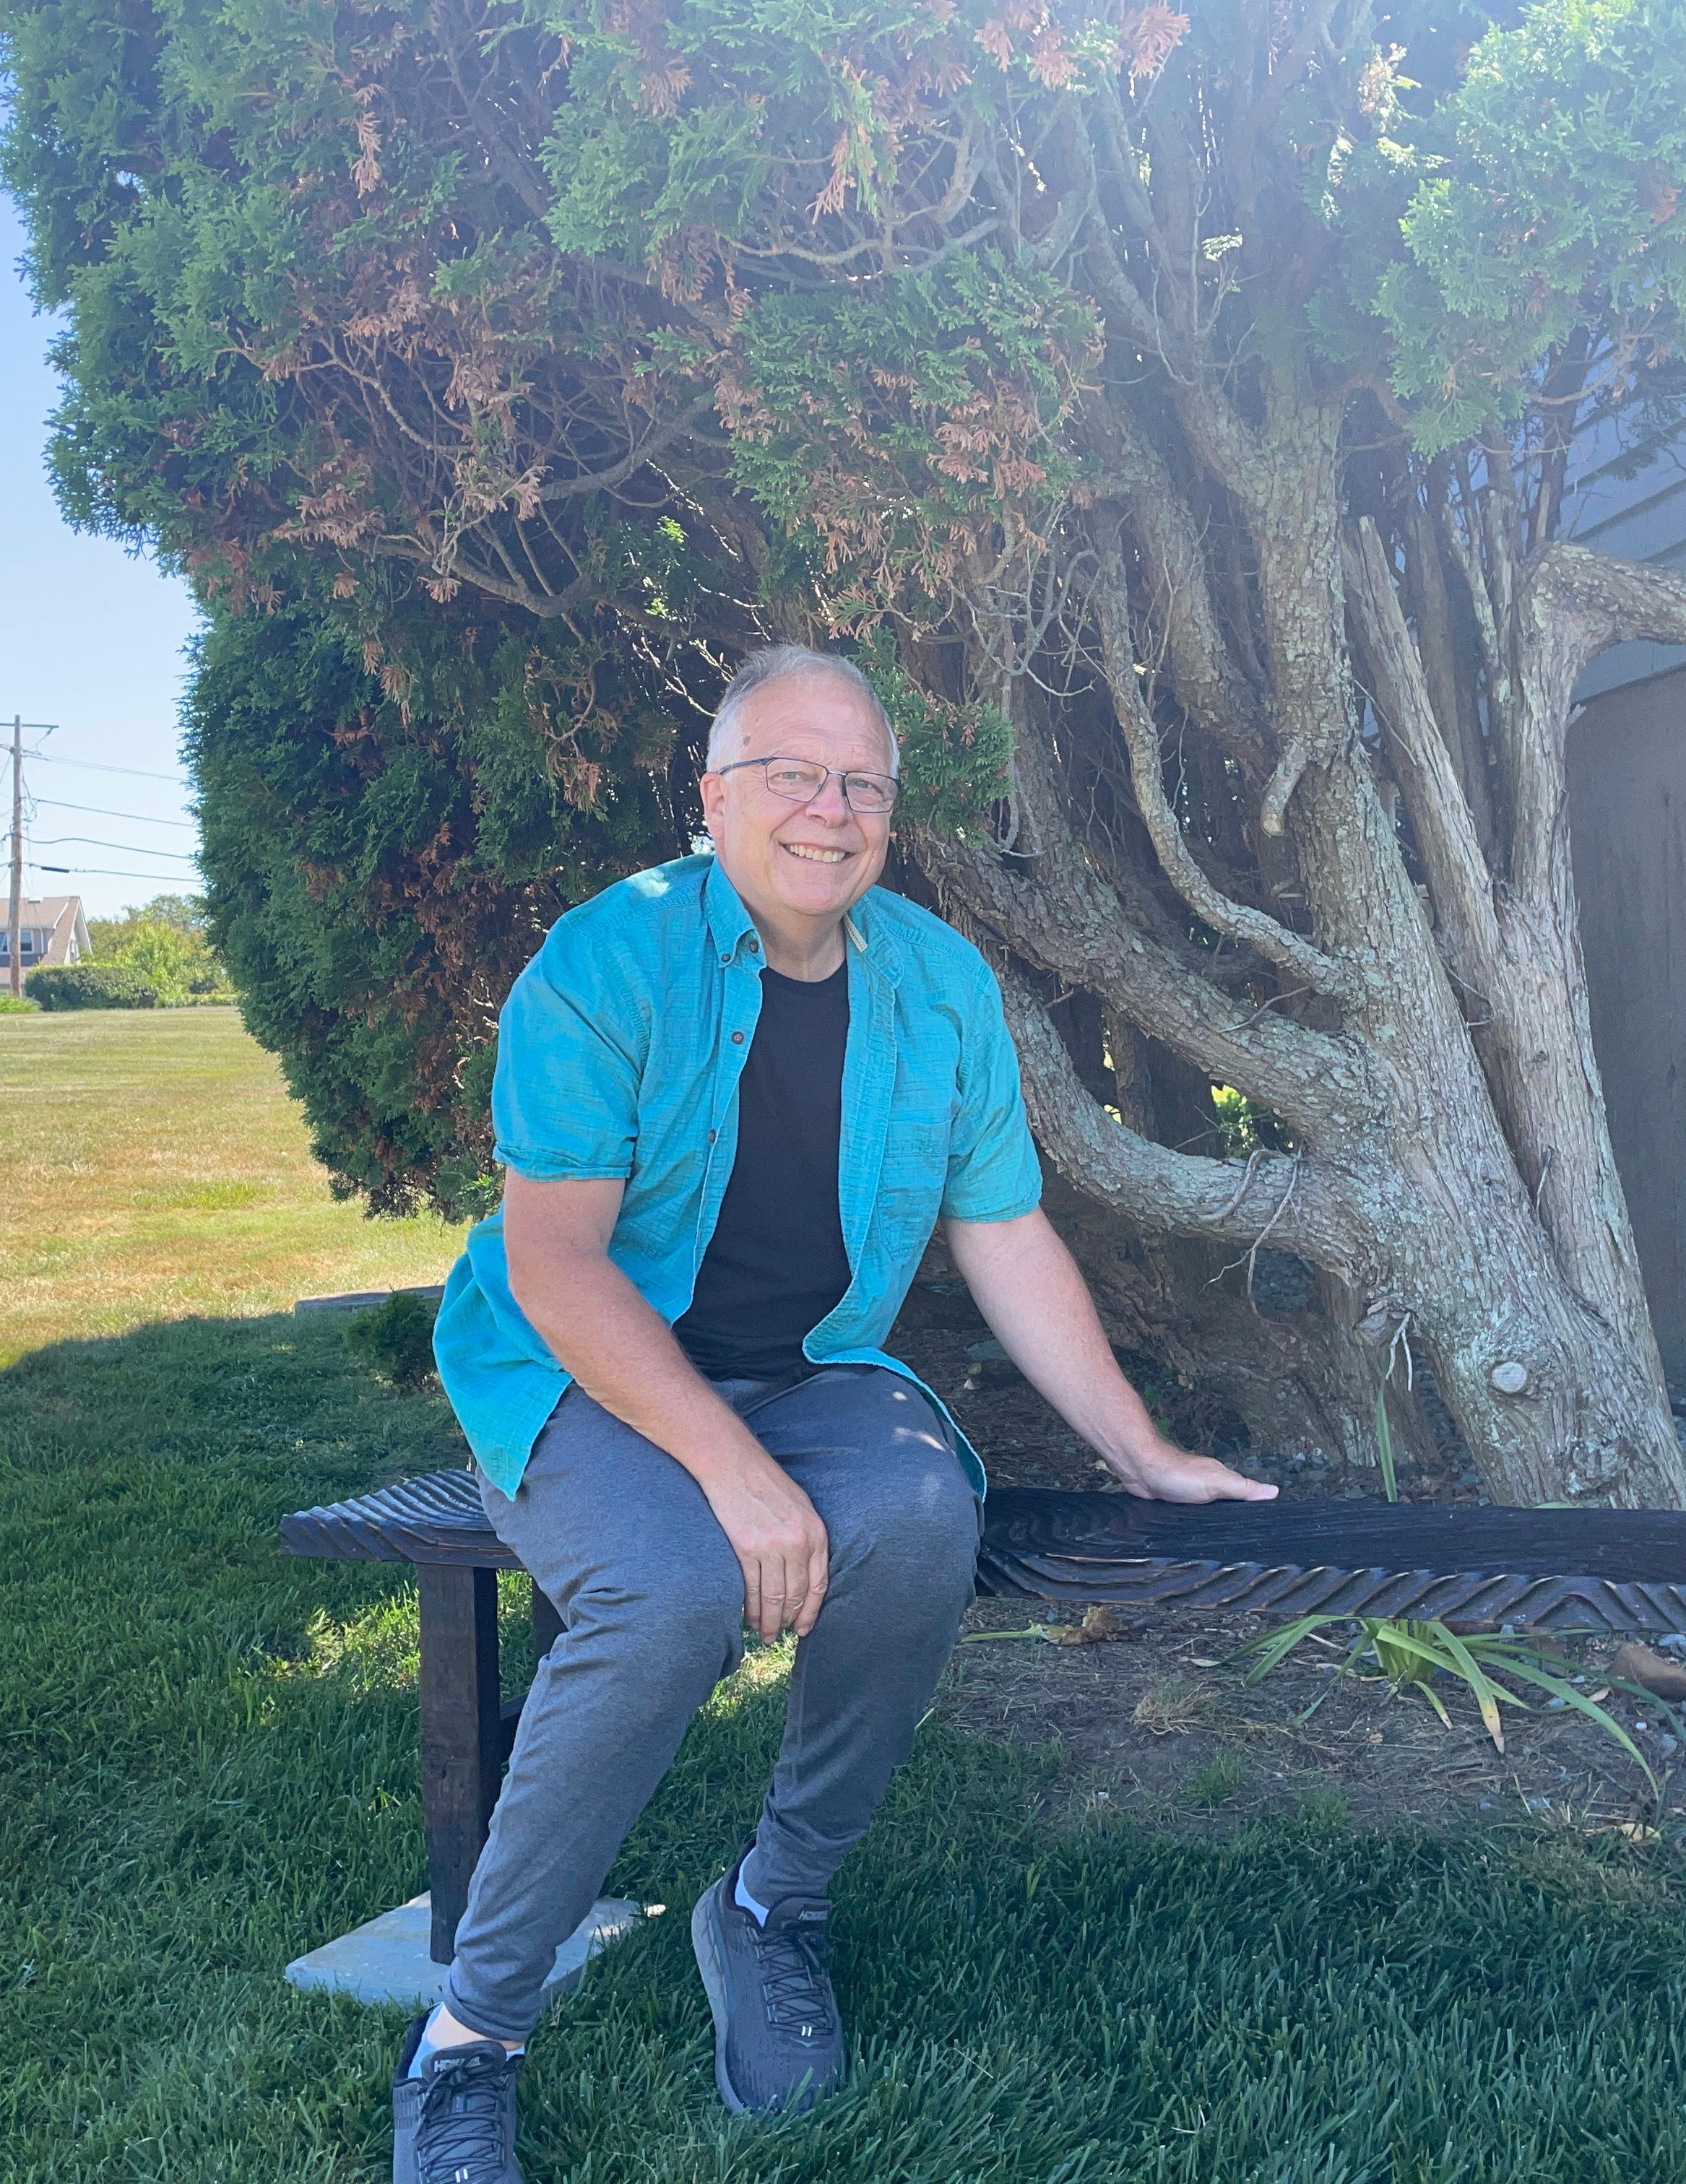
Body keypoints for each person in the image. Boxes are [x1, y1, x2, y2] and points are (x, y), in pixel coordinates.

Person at [401, 644, 1276, 2183]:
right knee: (666, 1593)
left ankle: (771, 1905)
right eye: (791, 774)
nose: (831, 808)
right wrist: (731, 1476)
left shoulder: (936, 983)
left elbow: (1004, 1231)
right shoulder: (607, 961)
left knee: (925, 1518)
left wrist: (1141, 1450)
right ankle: (472, 2035)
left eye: (862, 782)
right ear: (714, 801)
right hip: (579, 1362)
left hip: (808, 1365)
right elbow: (555, 1264)